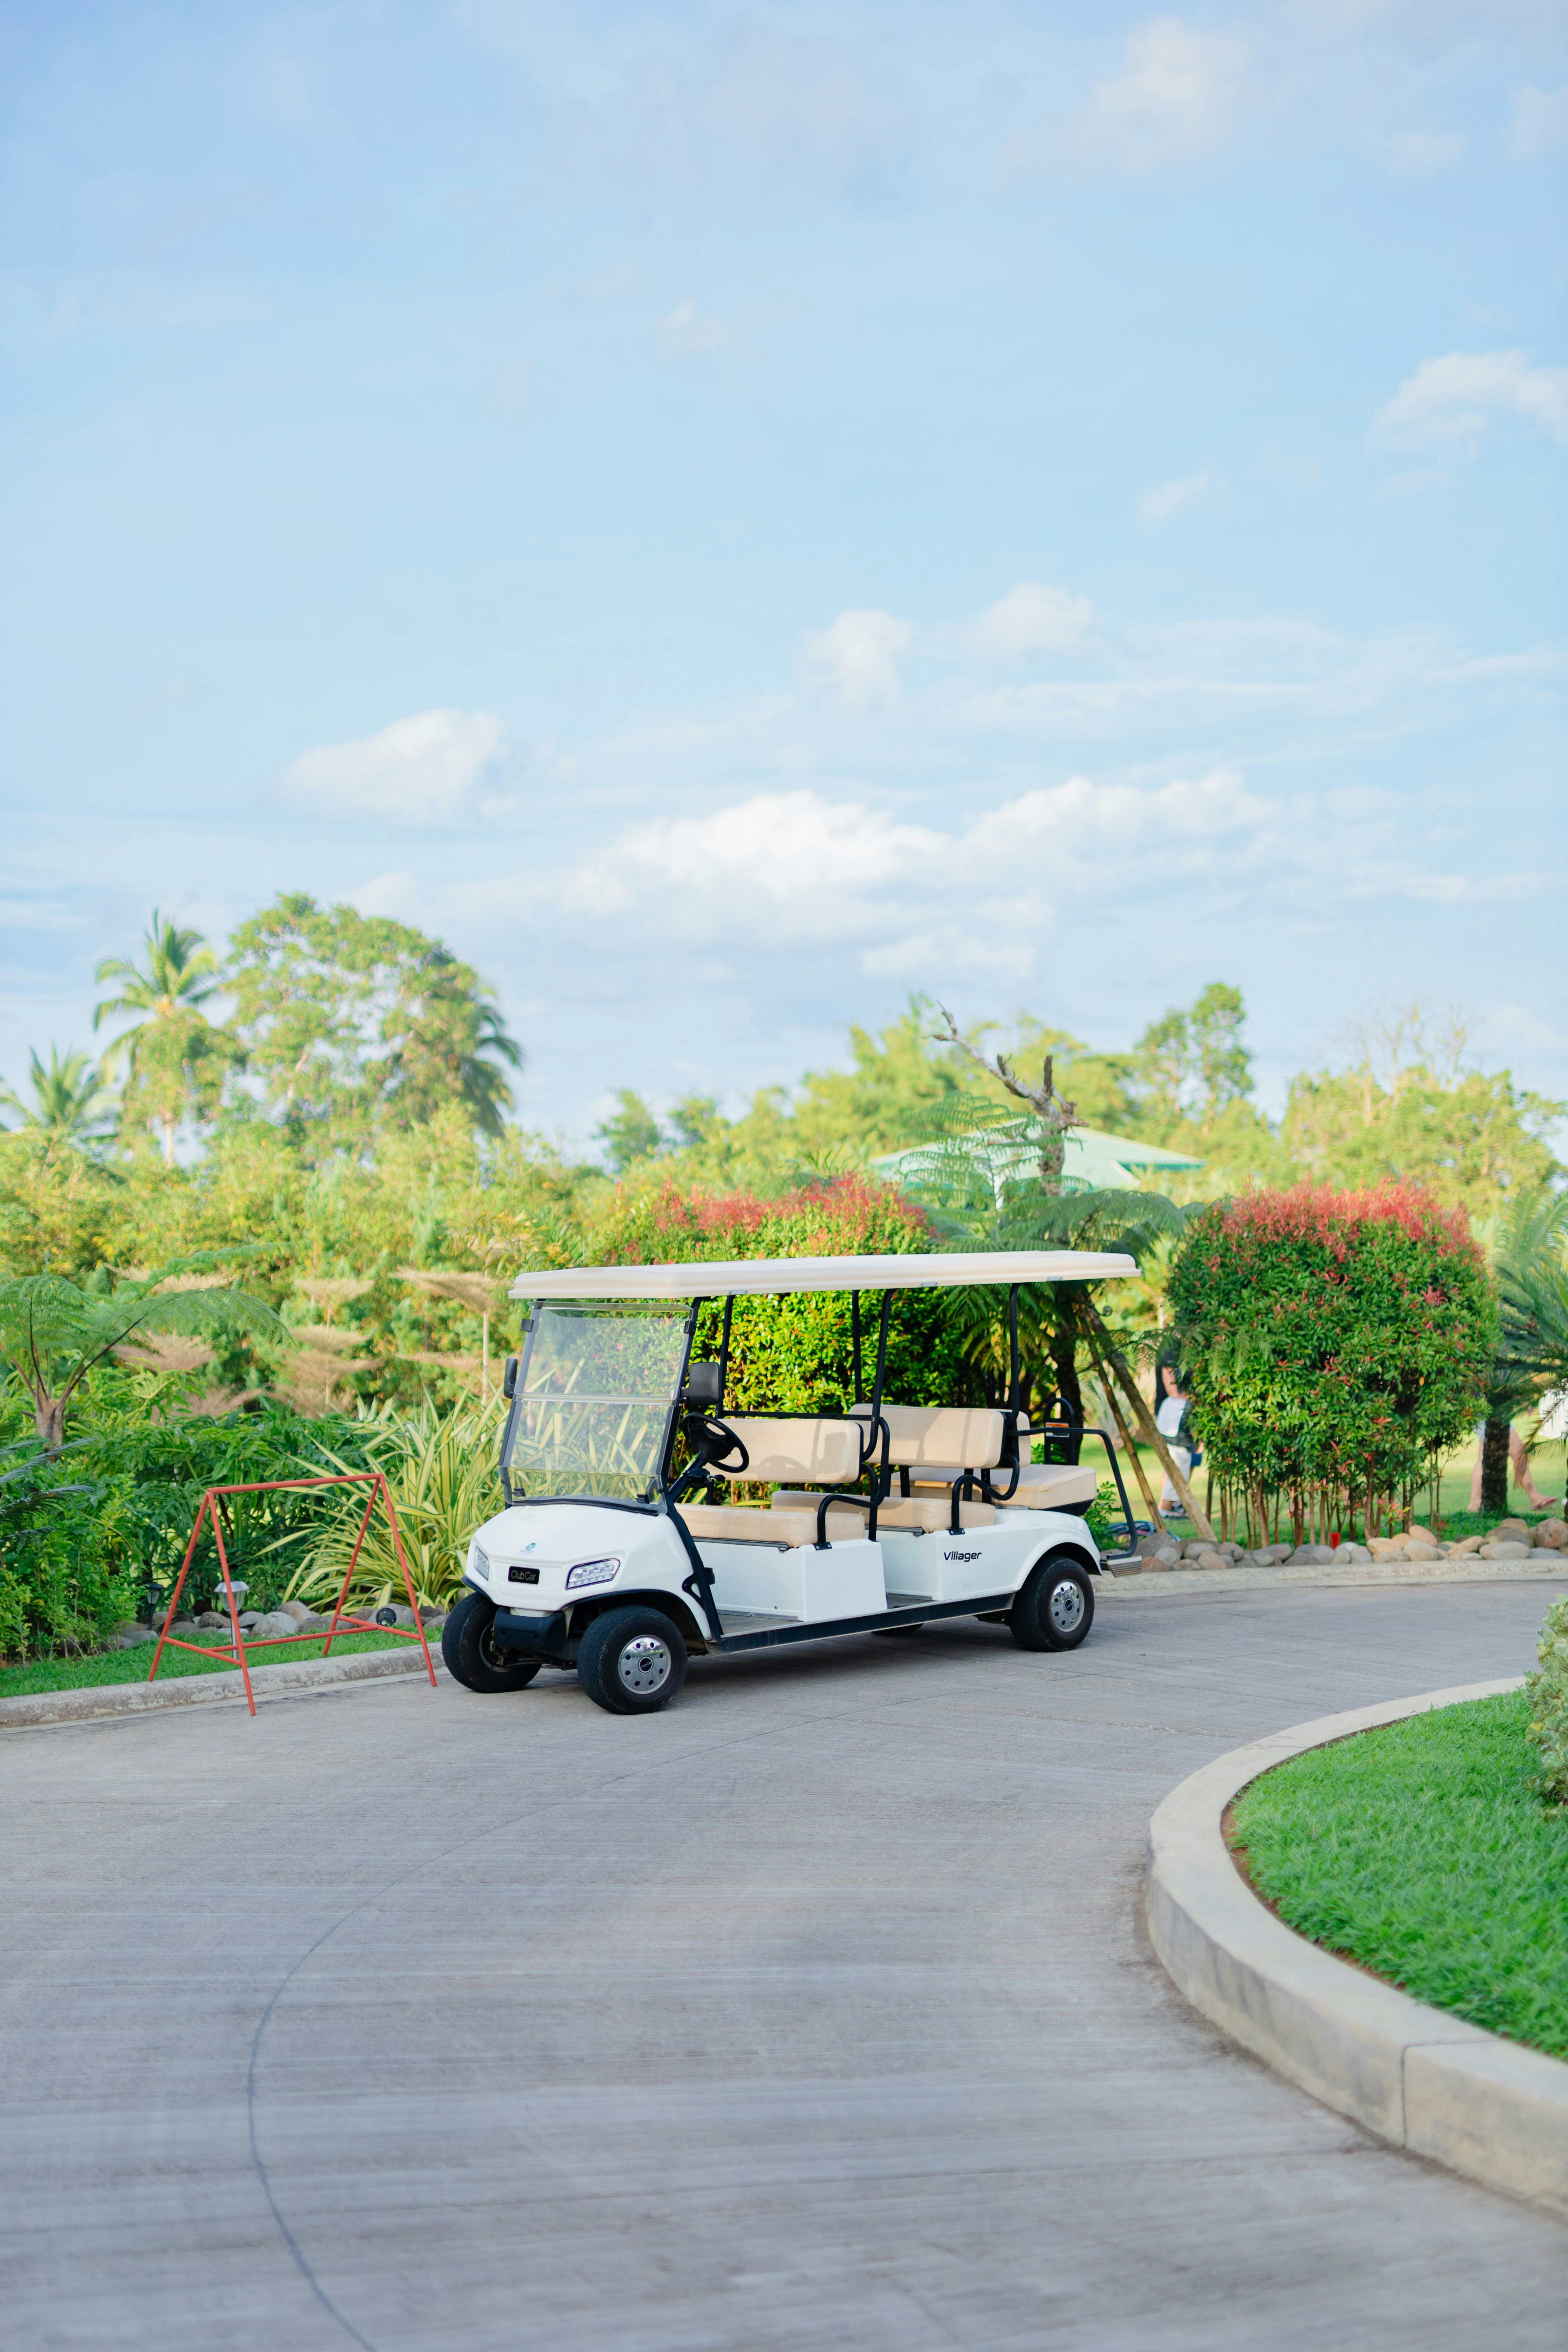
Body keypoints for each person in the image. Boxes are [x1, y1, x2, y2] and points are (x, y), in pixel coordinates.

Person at [1467, 1423, 1559, 1514]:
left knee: (1487, 1457)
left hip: (1488, 1415)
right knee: (1517, 1454)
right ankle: (1475, 1504)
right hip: (1494, 1415)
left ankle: (1475, 1504)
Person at [1155, 1362, 1195, 1515]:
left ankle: (1170, 1509)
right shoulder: (1180, 1403)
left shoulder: (1172, 1403)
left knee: (1176, 1474)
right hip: (1177, 1439)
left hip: (1172, 1433)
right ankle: (1165, 1512)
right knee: (1177, 1475)